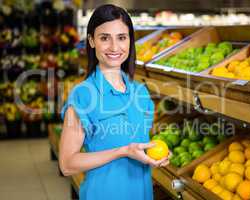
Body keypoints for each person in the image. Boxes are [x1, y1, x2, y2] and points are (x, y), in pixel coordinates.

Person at [59, 4, 169, 200]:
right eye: (104, 38)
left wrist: (155, 154)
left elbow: (137, 144)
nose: (114, 47)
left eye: (121, 37)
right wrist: (122, 152)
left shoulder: (140, 93)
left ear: (130, 41)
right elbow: (67, 164)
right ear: (91, 41)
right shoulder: (84, 95)